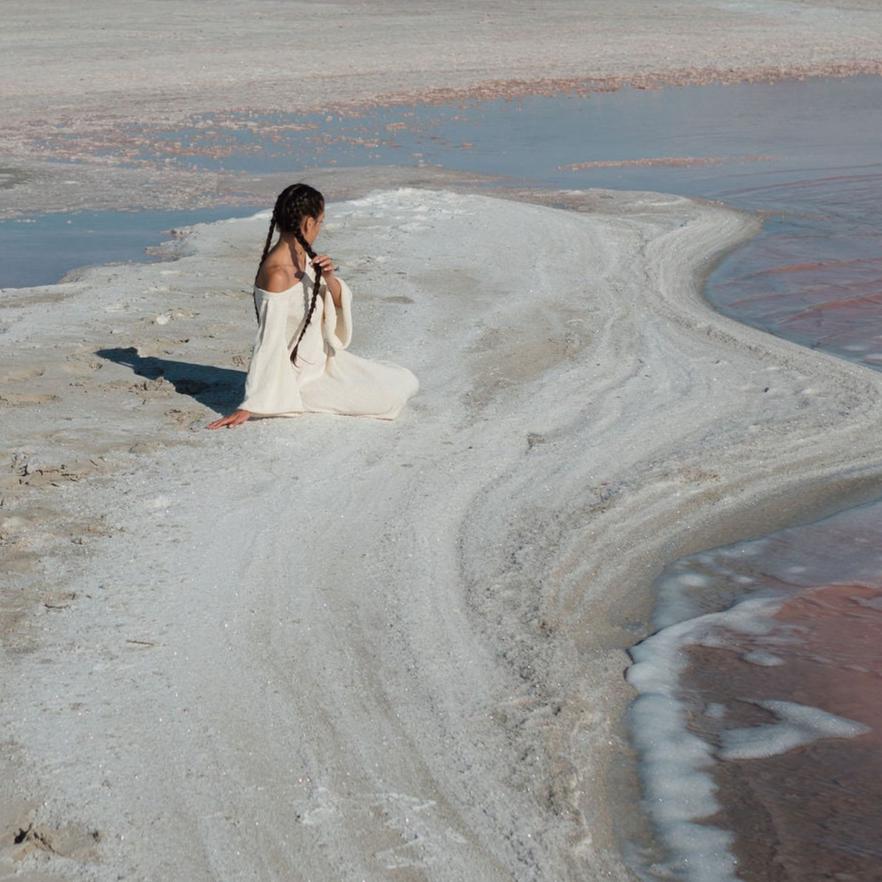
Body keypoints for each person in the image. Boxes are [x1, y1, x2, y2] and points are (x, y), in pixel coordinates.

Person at [207, 183, 419, 429]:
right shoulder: (277, 274)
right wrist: (252, 404)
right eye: (320, 222)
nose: (319, 228)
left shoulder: (302, 256)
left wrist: (329, 277)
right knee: (388, 400)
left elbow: (335, 301)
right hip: (301, 378)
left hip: (324, 362)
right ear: (308, 223)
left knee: (405, 379)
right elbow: (268, 342)